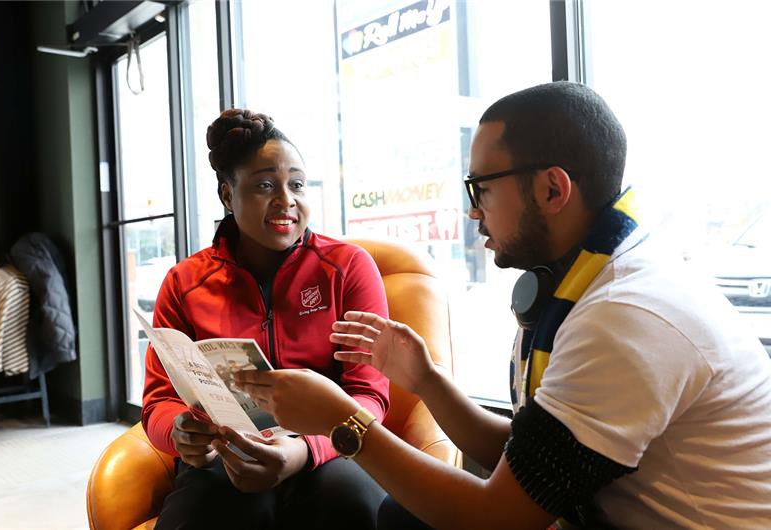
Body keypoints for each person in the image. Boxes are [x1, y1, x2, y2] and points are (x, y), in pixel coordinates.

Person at [233, 82, 771, 529]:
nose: (473, 212)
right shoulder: (593, 280)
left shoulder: (623, 316)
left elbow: (496, 519)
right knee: (401, 516)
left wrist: (342, 421)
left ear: (552, 190)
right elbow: (527, 455)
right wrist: (426, 381)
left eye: (481, 188)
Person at [142, 108, 390, 529]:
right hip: (227, 452)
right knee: (205, 513)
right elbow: (158, 401)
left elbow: (370, 396)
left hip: (329, 448)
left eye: (297, 184)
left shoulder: (348, 267)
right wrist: (179, 432)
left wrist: (305, 450)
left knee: (351, 502)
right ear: (227, 195)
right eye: (264, 185)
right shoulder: (184, 283)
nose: (286, 200)